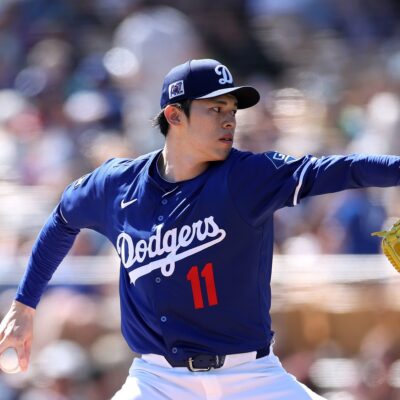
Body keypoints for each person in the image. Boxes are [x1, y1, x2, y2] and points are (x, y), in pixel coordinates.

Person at [0, 58, 399, 400]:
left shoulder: (248, 177)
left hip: (252, 378)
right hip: (158, 380)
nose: (229, 119)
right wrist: (24, 304)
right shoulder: (115, 186)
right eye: (215, 108)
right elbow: (62, 221)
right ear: (175, 115)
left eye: (232, 110)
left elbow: (340, 169)